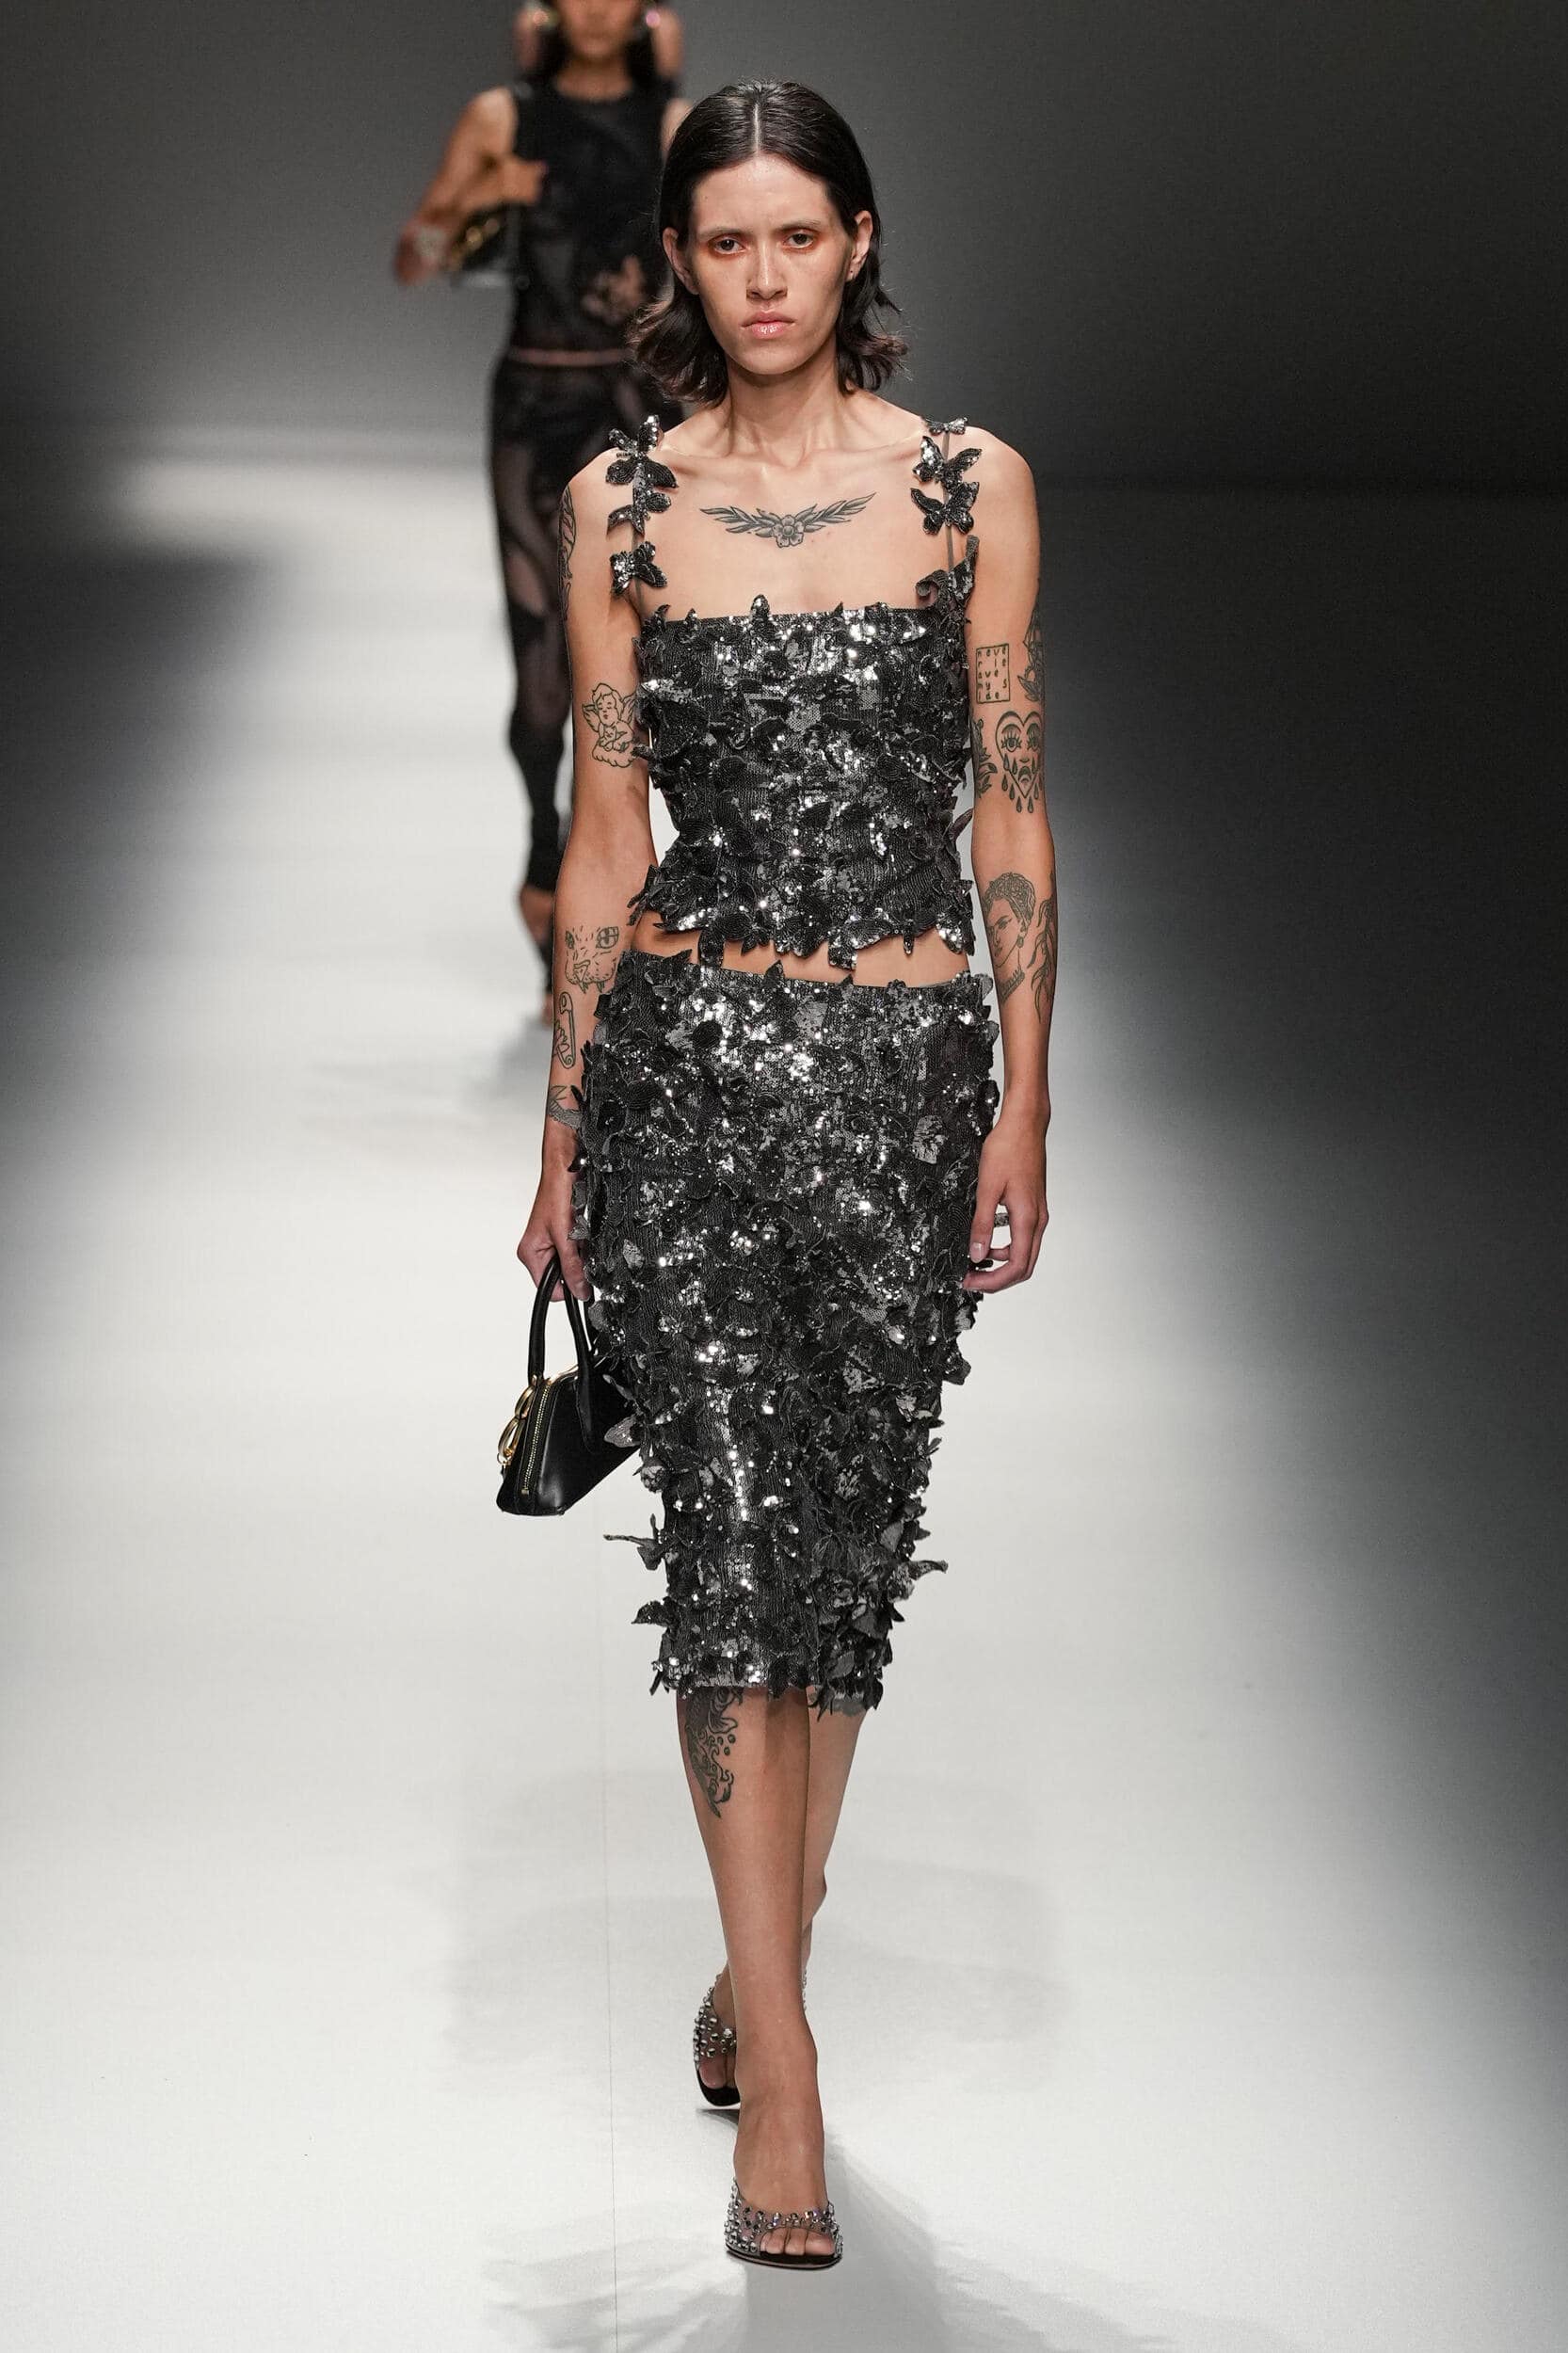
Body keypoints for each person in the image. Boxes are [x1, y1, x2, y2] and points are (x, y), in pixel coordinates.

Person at [517, 79, 1055, 2269]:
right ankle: (792, 2082)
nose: (760, 278)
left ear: (858, 242)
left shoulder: (967, 487)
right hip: (690, 1071)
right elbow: (603, 838)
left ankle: (766, 1959)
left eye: (794, 237)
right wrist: (566, 1129)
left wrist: (1026, 1099)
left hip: (904, 1071)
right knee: (730, 1554)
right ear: (677, 261)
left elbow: (1007, 799)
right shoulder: (618, 507)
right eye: (722, 242)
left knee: (839, 1564)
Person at [393, 1, 686, 1014]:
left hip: (639, 408)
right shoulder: (501, 118)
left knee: (633, 661)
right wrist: (488, 187)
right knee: (541, 671)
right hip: (534, 406)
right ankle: (542, 848)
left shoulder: (673, 126)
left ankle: (604, 880)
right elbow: (414, 261)